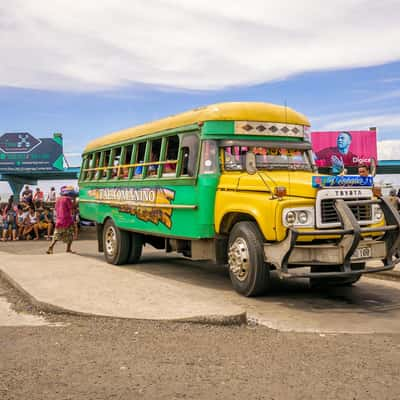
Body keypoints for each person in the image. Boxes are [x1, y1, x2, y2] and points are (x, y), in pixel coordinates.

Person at [46, 186, 78, 254]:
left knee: (56, 235)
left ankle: (50, 247)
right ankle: (68, 249)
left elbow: (56, 209)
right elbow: (72, 208)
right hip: (67, 220)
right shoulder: (67, 199)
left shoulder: (58, 199)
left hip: (59, 220)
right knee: (70, 235)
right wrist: (74, 199)